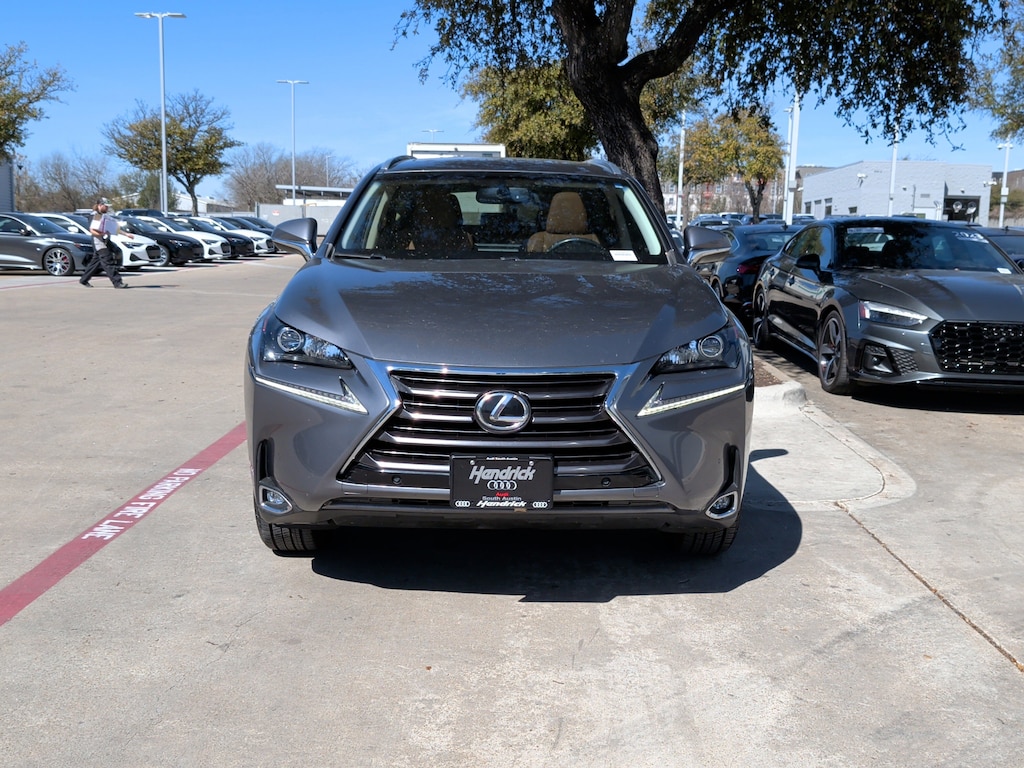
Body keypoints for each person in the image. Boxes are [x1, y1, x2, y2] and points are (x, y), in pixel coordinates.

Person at [80, 199, 131, 288]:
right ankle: (117, 282)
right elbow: (92, 231)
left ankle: (84, 280)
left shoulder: (104, 216)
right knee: (108, 260)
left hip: (105, 241)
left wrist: (126, 234)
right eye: (106, 206)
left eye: (108, 206)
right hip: (98, 241)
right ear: (100, 205)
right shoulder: (96, 216)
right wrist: (101, 234)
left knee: (95, 262)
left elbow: (114, 228)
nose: (107, 208)